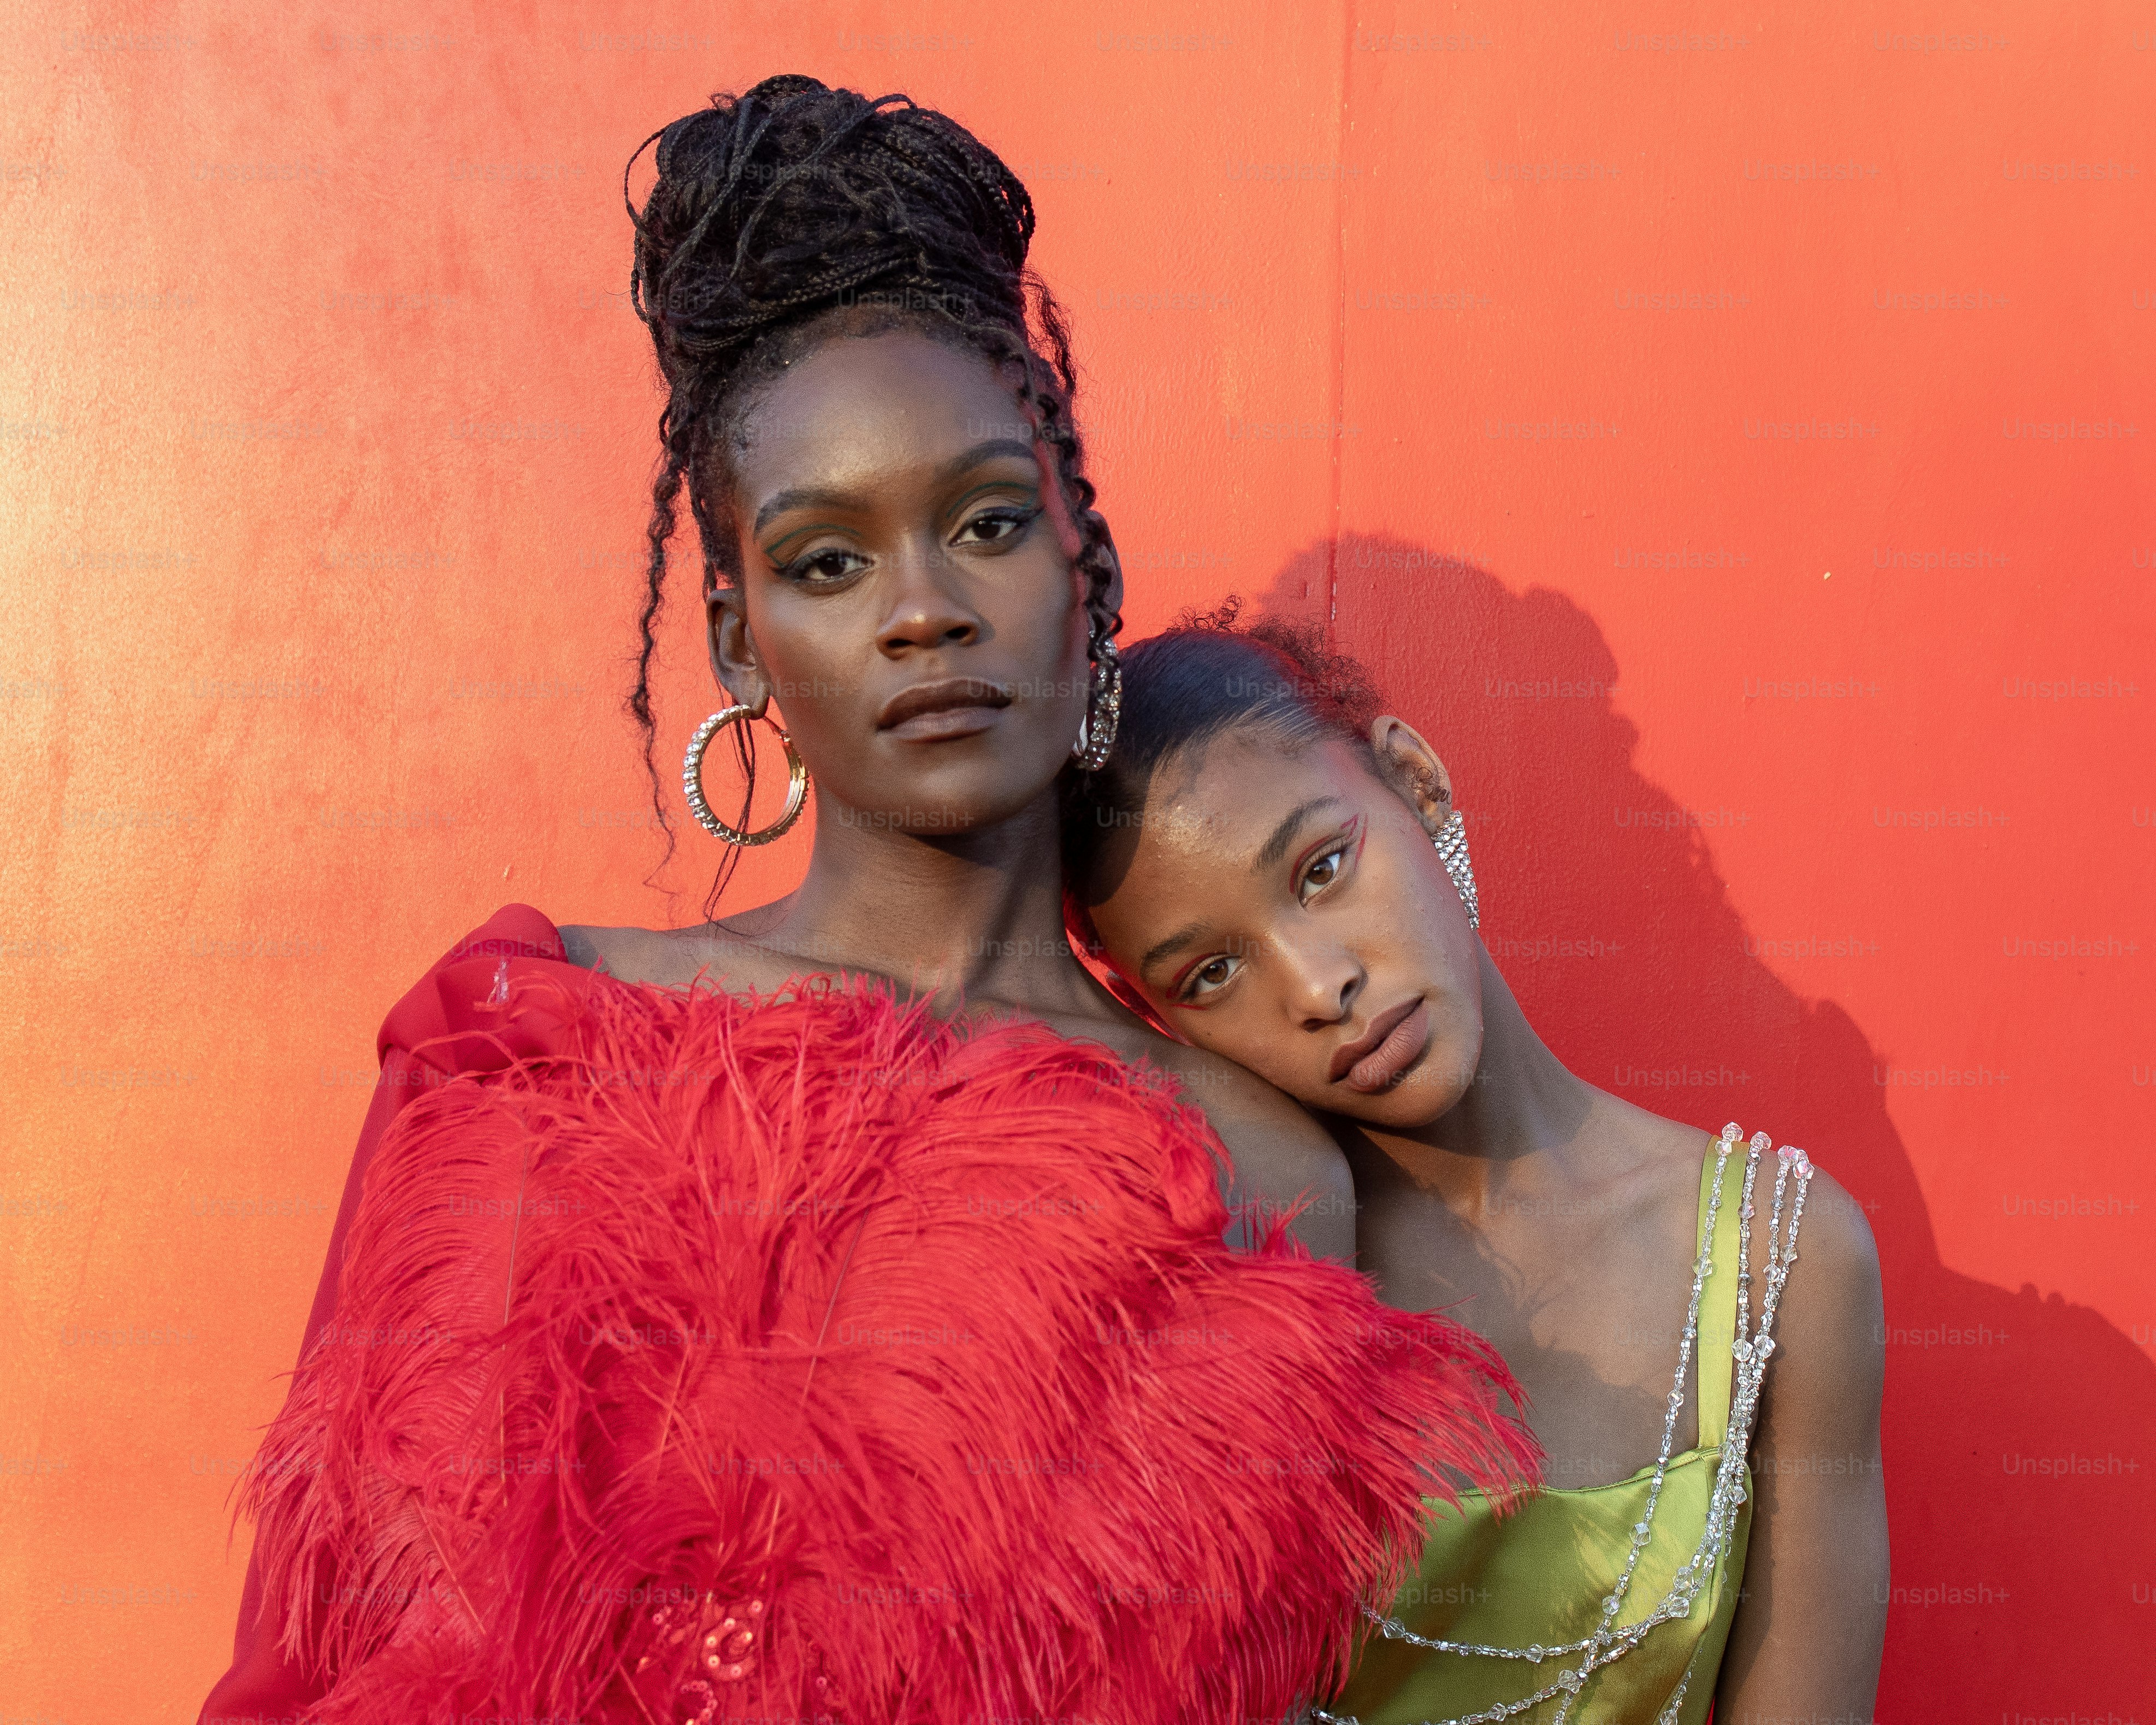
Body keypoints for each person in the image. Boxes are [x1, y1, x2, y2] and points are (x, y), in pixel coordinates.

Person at [198, 80, 1537, 1725]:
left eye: (984, 526)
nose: (921, 611)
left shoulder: (1250, 1161)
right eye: (827, 560)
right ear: (741, 634)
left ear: (1087, 570)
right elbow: (311, 1656)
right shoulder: (536, 1043)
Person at [1062, 606, 1890, 1724]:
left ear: (1417, 784)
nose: (1317, 986)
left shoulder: (1775, 1266)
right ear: (1154, 1016)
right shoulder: (1218, 1302)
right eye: (1211, 972)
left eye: (1321, 868)